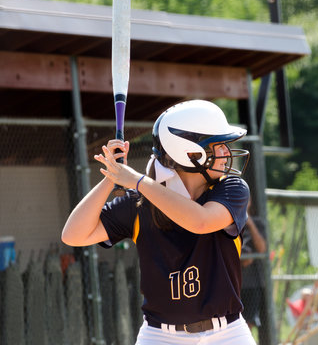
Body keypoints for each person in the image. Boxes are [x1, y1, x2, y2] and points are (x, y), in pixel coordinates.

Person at [61, 100, 257, 345]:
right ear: (189, 151)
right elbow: (73, 235)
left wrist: (138, 181)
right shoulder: (140, 203)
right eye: (219, 145)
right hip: (160, 336)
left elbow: (201, 221)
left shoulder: (231, 189)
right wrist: (112, 177)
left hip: (227, 333)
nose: (227, 153)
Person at [240, 197, 267, 339]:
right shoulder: (228, 222)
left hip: (252, 285)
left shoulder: (257, 223)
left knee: (248, 325)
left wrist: (249, 222)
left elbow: (262, 249)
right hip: (232, 284)